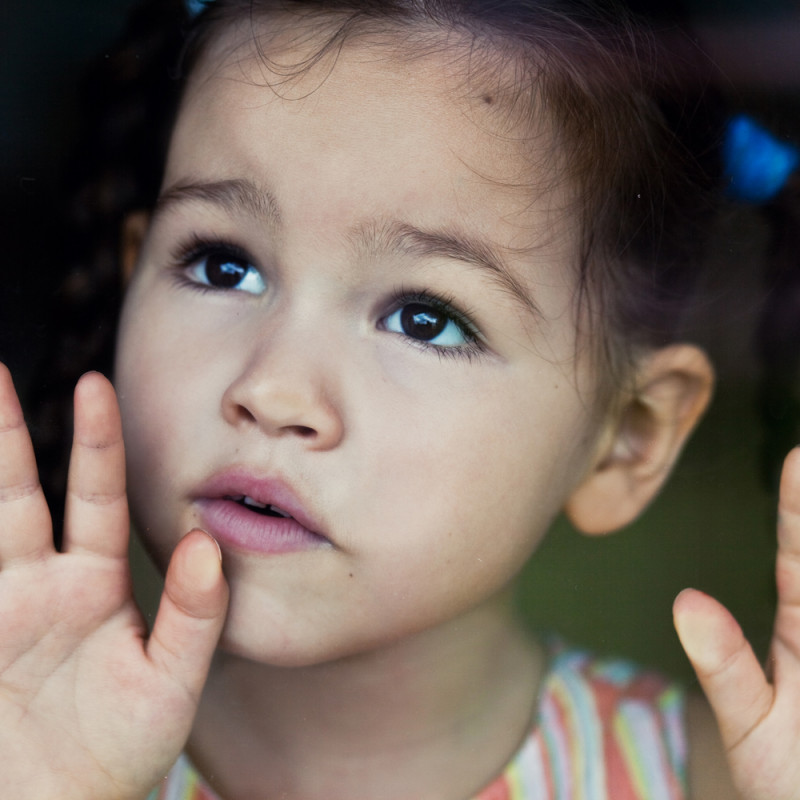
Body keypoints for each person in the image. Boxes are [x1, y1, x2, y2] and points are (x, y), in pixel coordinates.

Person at [1, 0, 798, 797]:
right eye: (222, 265)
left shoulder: (712, 782)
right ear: (134, 273)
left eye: (425, 319)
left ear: (629, 435)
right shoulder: (24, 748)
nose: (273, 391)